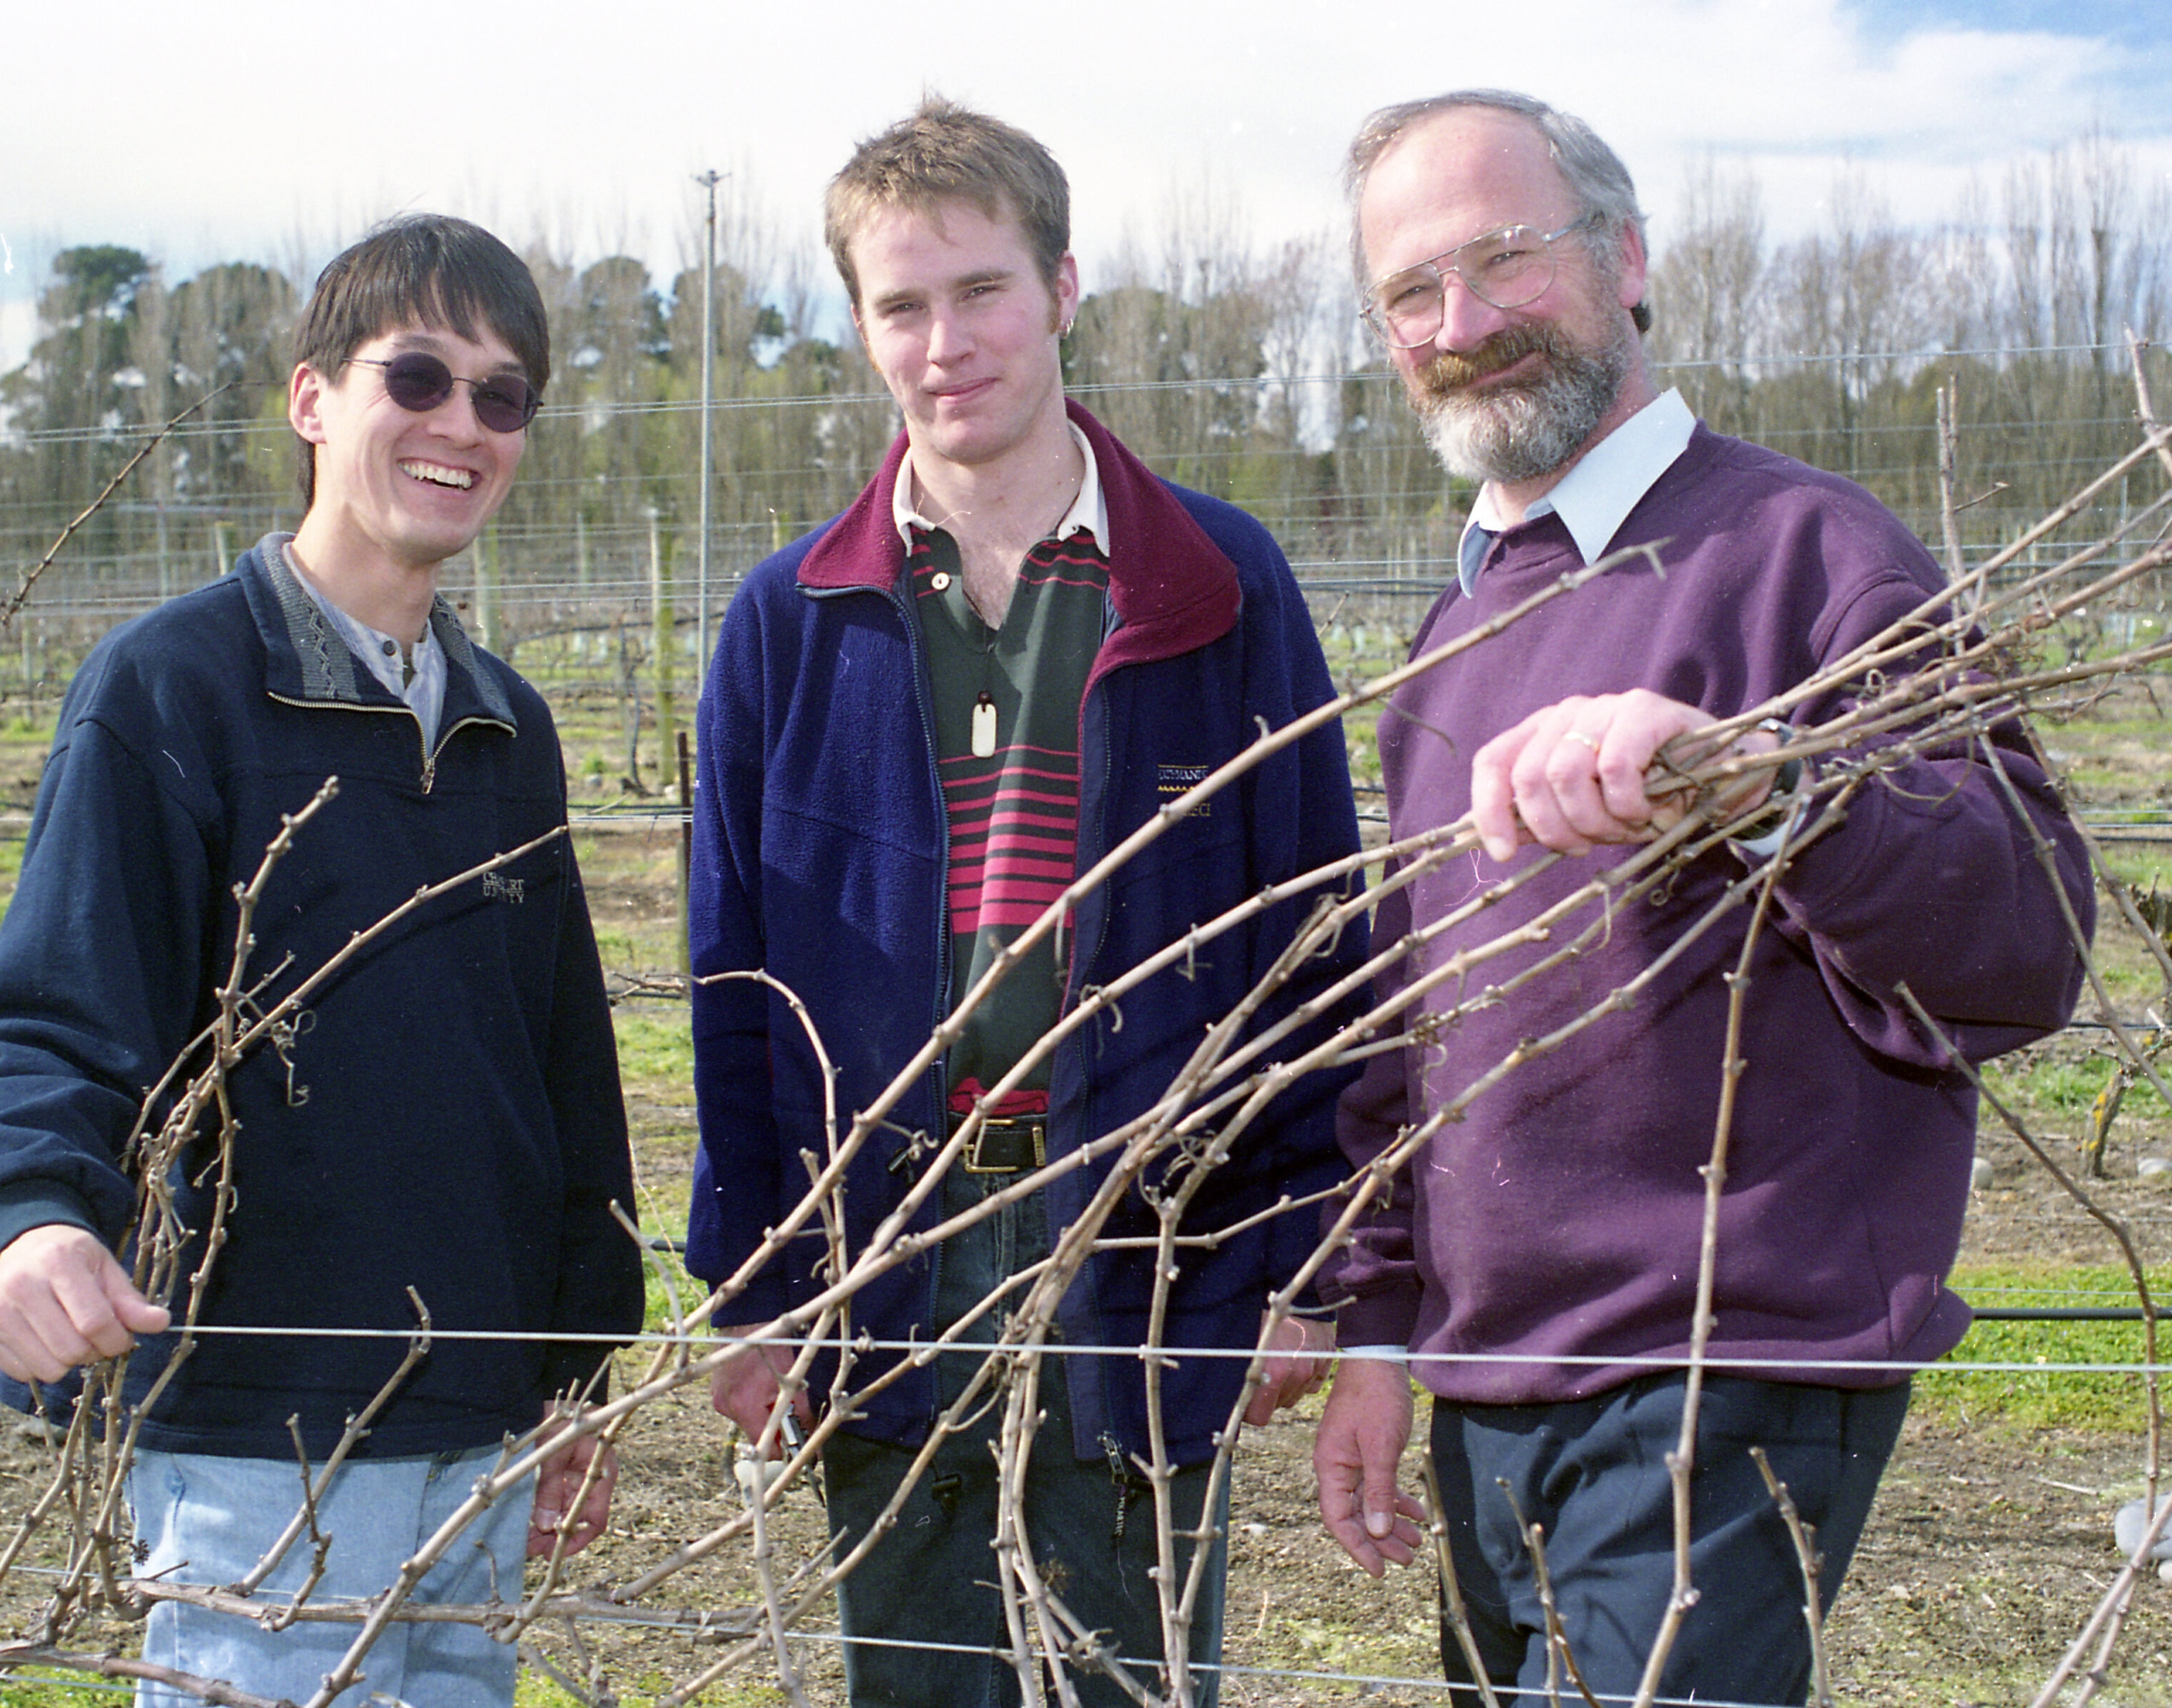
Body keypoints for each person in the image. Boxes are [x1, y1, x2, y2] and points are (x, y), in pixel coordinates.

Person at [1308, 90, 2093, 1706]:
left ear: (1625, 257)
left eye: (1503, 262)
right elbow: (1409, 1021)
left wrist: (1764, 784)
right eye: (1409, 292)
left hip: (1716, 1365)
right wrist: (1377, 1326)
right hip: (1493, 1369)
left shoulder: (1806, 559)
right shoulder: (1450, 633)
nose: (1460, 327)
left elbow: (2023, 946)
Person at [683, 99, 1363, 1708]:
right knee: (915, 1676)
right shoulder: (788, 619)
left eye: (980, 290)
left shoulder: (1215, 581)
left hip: (1133, 1244)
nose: (945, 343)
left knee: (1127, 1676)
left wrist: (1296, 1268)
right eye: (899, 307)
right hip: (891, 1253)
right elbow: (731, 983)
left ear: (1063, 290)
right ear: (858, 328)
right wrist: (758, 1289)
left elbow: (1313, 942)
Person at [0, 214, 642, 1708]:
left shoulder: (509, 728)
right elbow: (50, 1019)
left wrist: (570, 1377)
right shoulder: (172, 694)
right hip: (260, 1436)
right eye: (420, 376)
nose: (461, 425)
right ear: (313, 398)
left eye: (501, 397)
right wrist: (23, 1216)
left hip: (475, 1433)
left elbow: (565, 1079)